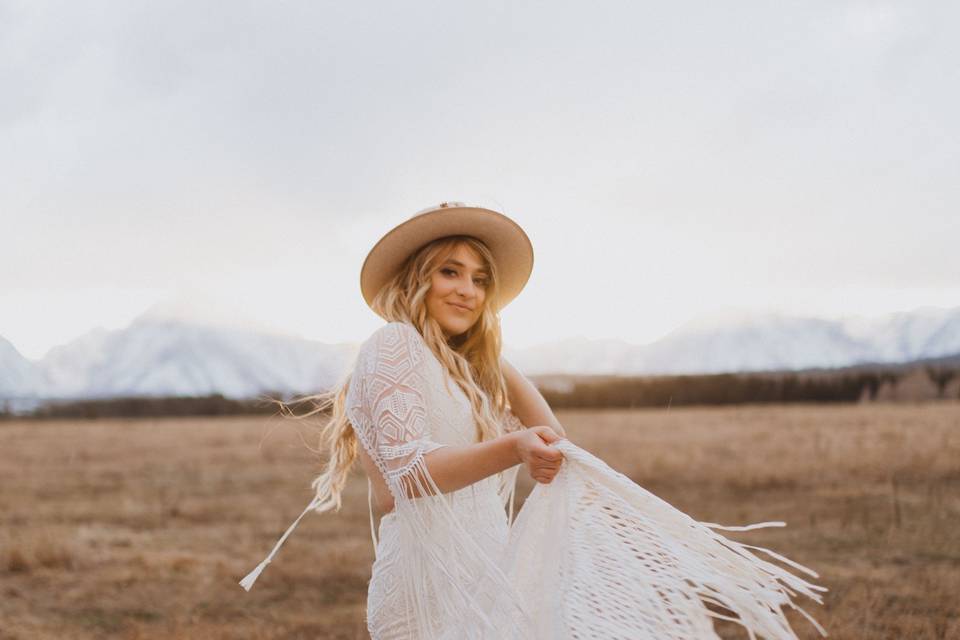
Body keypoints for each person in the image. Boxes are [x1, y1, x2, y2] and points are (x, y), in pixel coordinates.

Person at [240, 203, 828, 639]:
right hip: (429, 584)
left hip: (492, 569)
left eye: (480, 279)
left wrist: (491, 360)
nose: (469, 290)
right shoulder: (392, 344)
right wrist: (512, 445)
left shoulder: (464, 371)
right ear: (416, 278)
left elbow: (555, 443)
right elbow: (412, 476)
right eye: (450, 272)